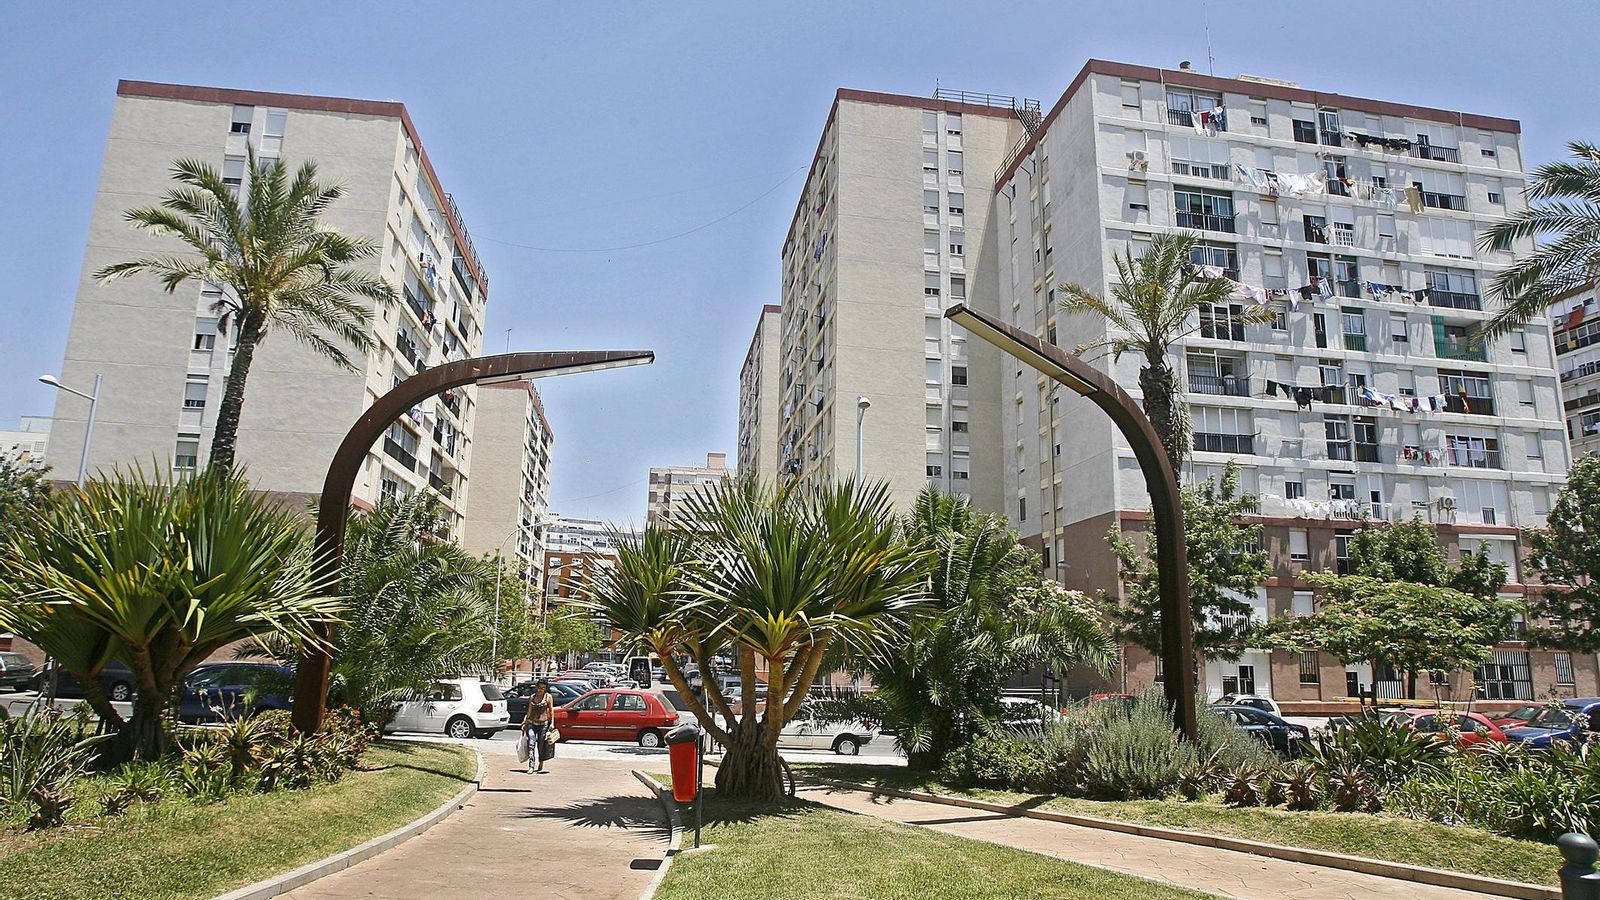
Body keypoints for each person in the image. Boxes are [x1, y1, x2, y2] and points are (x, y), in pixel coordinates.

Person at [522, 678, 554, 774]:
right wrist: (525, 722)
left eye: (543, 688)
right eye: (539, 687)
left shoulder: (548, 697)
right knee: (531, 744)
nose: (540, 690)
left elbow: (551, 711)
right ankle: (531, 765)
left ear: (545, 689)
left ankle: (541, 762)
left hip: (543, 724)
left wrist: (552, 723)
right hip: (532, 723)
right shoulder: (532, 697)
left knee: (541, 745)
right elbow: (529, 711)